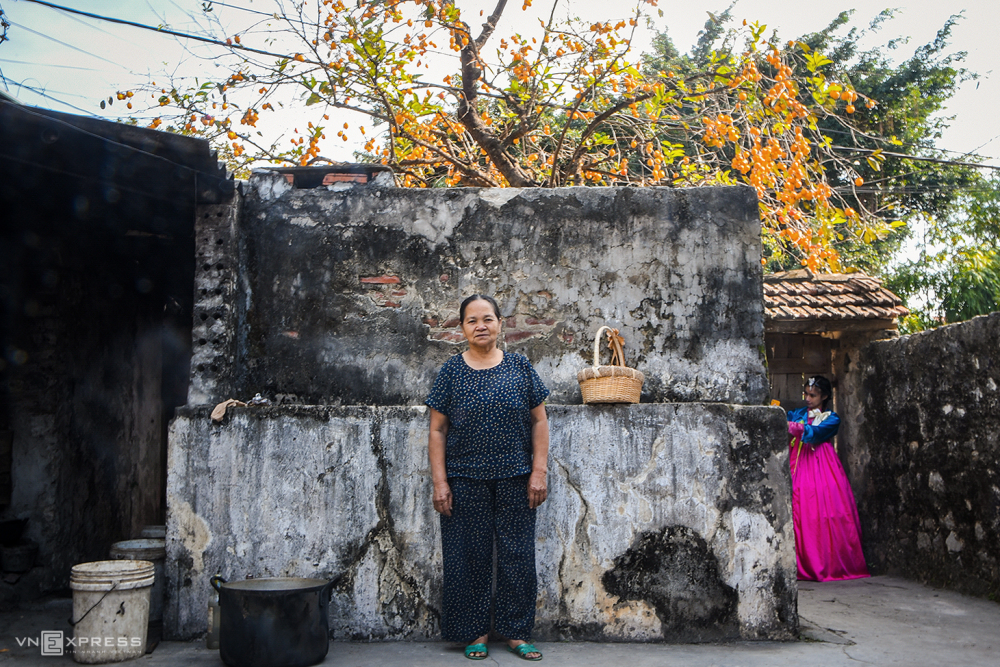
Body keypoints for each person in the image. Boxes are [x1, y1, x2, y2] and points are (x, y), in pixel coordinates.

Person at [426, 294, 549, 661]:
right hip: (464, 479)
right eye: (471, 320)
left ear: (500, 324)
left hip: (516, 477)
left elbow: (539, 420)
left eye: (487, 319)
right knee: (468, 557)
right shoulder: (451, 372)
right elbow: (437, 430)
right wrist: (440, 481)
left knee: (517, 556)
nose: (480, 326)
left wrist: (538, 471)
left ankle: (516, 633)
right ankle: (474, 633)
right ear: (462, 328)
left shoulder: (519, 367)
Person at [786, 375, 870, 582]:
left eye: (812, 395)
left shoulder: (832, 418)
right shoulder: (797, 413)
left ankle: (822, 562)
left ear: (824, 396)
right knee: (797, 509)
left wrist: (794, 427)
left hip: (820, 465)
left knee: (821, 510)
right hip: (796, 462)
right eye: (805, 394)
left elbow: (815, 433)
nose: (807, 398)